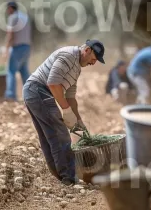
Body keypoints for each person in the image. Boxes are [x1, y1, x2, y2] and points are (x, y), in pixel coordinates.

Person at [23, 39, 105, 186]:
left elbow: (70, 97)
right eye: (94, 58)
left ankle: (61, 176)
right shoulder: (69, 56)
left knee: (49, 136)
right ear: (87, 50)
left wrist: (78, 120)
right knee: (60, 134)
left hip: (35, 92)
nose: (94, 63)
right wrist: (66, 110)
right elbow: (53, 84)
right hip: (37, 90)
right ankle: (69, 177)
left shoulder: (77, 68)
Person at [4, 0, 32, 100]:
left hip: (17, 48)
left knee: (11, 71)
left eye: (7, 9)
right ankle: (31, 95)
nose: (7, 11)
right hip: (27, 47)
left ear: (10, 8)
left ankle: (10, 95)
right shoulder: (25, 17)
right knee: (24, 72)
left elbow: (10, 34)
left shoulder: (13, 17)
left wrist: (6, 49)